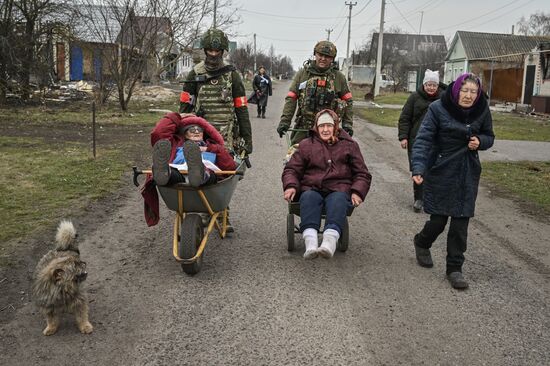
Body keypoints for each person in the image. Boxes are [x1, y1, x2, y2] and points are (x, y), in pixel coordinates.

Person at [411, 72, 495, 290]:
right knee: (438, 221)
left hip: (468, 172)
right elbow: (423, 139)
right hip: (442, 169)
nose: (468, 96)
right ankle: (422, 242)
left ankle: (455, 269)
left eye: (473, 92)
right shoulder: (438, 108)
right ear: (457, 90)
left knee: (460, 224)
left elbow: (489, 136)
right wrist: (418, 167)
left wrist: (480, 141)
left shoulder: (482, 109)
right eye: (465, 91)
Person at [282, 109, 371, 259]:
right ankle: (310, 242)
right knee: (309, 197)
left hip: (339, 187)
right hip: (312, 187)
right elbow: (291, 169)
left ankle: (329, 241)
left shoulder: (349, 145)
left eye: (329, 126)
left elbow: (362, 173)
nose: (325, 129)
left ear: (335, 126)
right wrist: (290, 185)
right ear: (316, 127)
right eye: (321, 126)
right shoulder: (306, 145)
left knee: (338, 200)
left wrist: (357, 191)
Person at [140, 113, 236, 227]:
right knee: (172, 172)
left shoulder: (213, 146)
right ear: (184, 133)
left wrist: (209, 149)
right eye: (192, 129)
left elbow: (230, 167)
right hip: (180, 173)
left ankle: (199, 173)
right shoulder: (174, 144)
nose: (196, 131)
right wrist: (176, 117)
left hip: (206, 178)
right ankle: (164, 173)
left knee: (209, 173)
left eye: (199, 129)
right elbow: (158, 133)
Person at [178, 28, 252, 157]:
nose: (213, 54)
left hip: (226, 135)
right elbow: (185, 109)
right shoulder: (194, 74)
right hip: (199, 133)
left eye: (217, 51)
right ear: (204, 50)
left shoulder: (232, 75)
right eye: (210, 50)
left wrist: (247, 138)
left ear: (222, 51)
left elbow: (241, 109)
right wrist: (180, 135)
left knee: (225, 165)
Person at [276, 41, 354, 144]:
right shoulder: (303, 74)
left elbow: (348, 101)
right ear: (315, 54)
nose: (323, 58)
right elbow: (291, 98)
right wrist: (285, 121)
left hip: (328, 130)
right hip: (304, 128)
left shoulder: (338, 77)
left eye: (327, 56)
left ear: (332, 59)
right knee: (295, 157)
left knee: (333, 158)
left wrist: (347, 124)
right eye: (320, 55)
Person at [398, 69, 446, 212]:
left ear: (437, 86)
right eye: (428, 84)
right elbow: (405, 118)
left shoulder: (443, 99)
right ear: (424, 84)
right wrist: (403, 137)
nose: (431, 87)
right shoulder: (414, 97)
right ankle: (419, 198)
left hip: (437, 140)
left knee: (434, 169)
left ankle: (432, 198)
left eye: (434, 85)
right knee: (419, 168)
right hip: (416, 140)